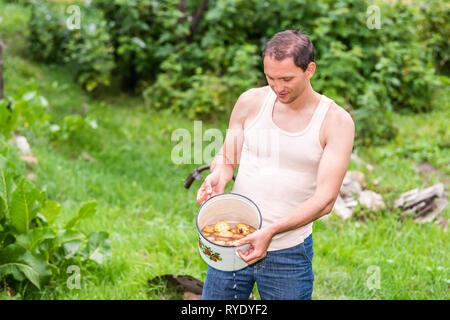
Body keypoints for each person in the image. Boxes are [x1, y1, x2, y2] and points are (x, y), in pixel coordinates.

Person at [196, 29, 355, 300]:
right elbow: (226, 158)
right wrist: (218, 177)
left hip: (288, 252)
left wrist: (269, 232)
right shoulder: (250, 102)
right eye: (270, 78)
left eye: (286, 79)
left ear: (310, 70)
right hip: (233, 240)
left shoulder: (336, 122)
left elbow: (325, 201)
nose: (278, 87)